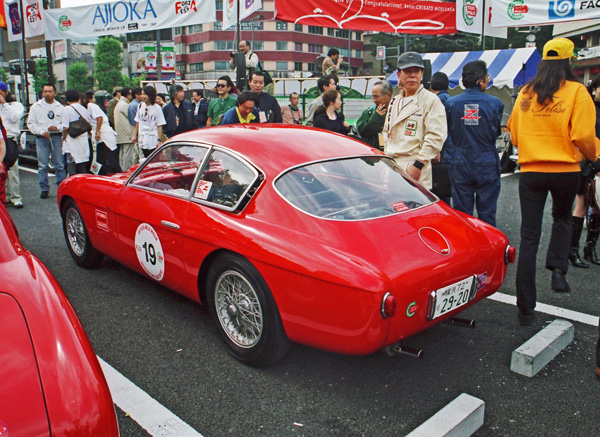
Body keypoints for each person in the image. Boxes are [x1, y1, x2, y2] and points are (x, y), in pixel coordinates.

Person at [507, 38, 600, 326]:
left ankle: (525, 308)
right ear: (570, 61)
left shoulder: (526, 91)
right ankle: (558, 269)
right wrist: (594, 155)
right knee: (562, 218)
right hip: (565, 170)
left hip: (531, 171)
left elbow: (513, 133)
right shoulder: (577, 91)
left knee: (529, 236)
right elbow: (584, 135)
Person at [445, 61, 504, 227]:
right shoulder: (495, 103)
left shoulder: (451, 103)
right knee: (487, 212)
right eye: (487, 77)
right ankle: (489, 248)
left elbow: (449, 131)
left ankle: (467, 248)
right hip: (486, 159)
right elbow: (495, 132)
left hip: (460, 160)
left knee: (462, 213)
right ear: (480, 80)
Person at [383, 52, 447, 190]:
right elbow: (386, 131)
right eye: (407, 71)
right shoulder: (395, 101)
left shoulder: (430, 100)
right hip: (392, 165)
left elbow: (435, 137)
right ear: (399, 74)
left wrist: (418, 165)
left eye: (416, 71)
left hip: (415, 165)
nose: (412, 75)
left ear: (422, 74)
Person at [569, 74, 600, 268]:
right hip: (587, 164)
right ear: (595, 87)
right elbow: (581, 136)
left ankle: (590, 248)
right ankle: (573, 251)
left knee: (597, 206)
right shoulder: (587, 106)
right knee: (581, 205)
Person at [27, 83, 66, 199]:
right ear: (42, 93)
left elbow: (64, 123)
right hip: (42, 137)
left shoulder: (60, 107)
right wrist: (41, 132)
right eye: (45, 91)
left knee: (59, 164)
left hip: (56, 137)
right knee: (42, 165)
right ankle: (44, 188)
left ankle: (61, 187)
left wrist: (57, 128)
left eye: (50, 91)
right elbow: (30, 123)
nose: (47, 93)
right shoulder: (35, 107)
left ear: (54, 93)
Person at [85, 91, 121, 174]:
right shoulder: (90, 106)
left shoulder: (91, 105)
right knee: (100, 159)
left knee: (110, 158)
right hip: (101, 135)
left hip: (103, 134)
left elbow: (99, 118)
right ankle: (101, 174)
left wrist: (97, 132)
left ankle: (117, 174)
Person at [0, 86, 24, 208]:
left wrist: (4, 104)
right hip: (0, 140)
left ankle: (16, 197)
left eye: (0, 93)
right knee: (1, 170)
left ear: (6, 92)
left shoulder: (15, 105)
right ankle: (4, 196)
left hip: (9, 139)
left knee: (12, 170)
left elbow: (15, 118)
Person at [61, 89, 92, 175]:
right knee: (82, 166)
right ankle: (83, 185)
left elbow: (65, 128)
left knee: (71, 166)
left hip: (71, 141)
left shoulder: (67, 109)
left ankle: (73, 185)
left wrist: (64, 137)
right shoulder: (84, 109)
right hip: (83, 141)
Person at [355, 80, 392, 150]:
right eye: (373, 97)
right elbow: (362, 132)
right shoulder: (369, 112)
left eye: (376, 96)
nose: (374, 100)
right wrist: (376, 117)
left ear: (388, 95)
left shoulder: (397, 111)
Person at [132, 85, 166, 158]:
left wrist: (159, 140)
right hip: (142, 137)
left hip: (152, 138)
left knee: (153, 158)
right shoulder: (140, 106)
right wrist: (134, 135)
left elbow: (159, 125)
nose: (143, 96)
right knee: (144, 158)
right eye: (142, 94)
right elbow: (137, 122)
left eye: (145, 94)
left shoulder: (157, 108)